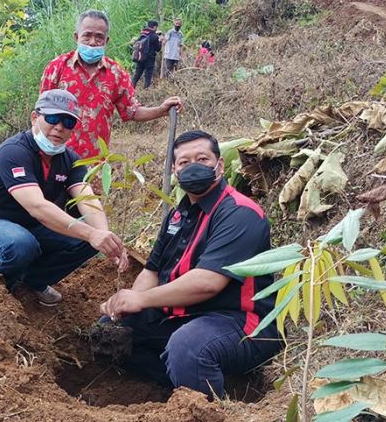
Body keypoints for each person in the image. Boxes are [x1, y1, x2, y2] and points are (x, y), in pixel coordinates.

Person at [99, 130, 281, 398]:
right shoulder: (177, 215)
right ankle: (185, 384)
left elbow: (207, 283)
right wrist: (127, 303)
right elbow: (152, 270)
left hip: (242, 323)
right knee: (111, 330)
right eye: (184, 162)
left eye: (202, 159)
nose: (193, 166)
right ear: (174, 171)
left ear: (219, 165)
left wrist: (142, 300)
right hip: (185, 316)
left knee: (187, 347)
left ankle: (207, 405)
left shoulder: (240, 213)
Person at [0, 89, 128, 306]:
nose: (59, 127)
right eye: (52, 118)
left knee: (88, 241)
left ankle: (32, 283)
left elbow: (87, 199)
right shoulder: (14, 151)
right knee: (20, 243)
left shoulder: (69, 159)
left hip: (31, 228)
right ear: (35, 118)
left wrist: (104, 237)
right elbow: (37, 207)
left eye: (68, 122)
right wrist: (91, 233)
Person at [40, 10, 182, 158]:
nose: (93, 42)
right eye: (87, 36)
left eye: (99, 37)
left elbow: (132, 111)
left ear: (106, 40)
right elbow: (42, 113)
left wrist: (161, 110)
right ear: (76, 37)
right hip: (56, 159)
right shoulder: (56, 67)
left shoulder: (116, 73)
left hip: (95, 166)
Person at [132, 20, 162, 89]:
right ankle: (146, 91)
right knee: (148, 76)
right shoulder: (154, 36)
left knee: (137, 75)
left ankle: (131, 90)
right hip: (150, 59)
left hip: (140, 58)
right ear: (154, 27)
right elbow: (158, 49)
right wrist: (160, 42)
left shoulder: (142, 34)